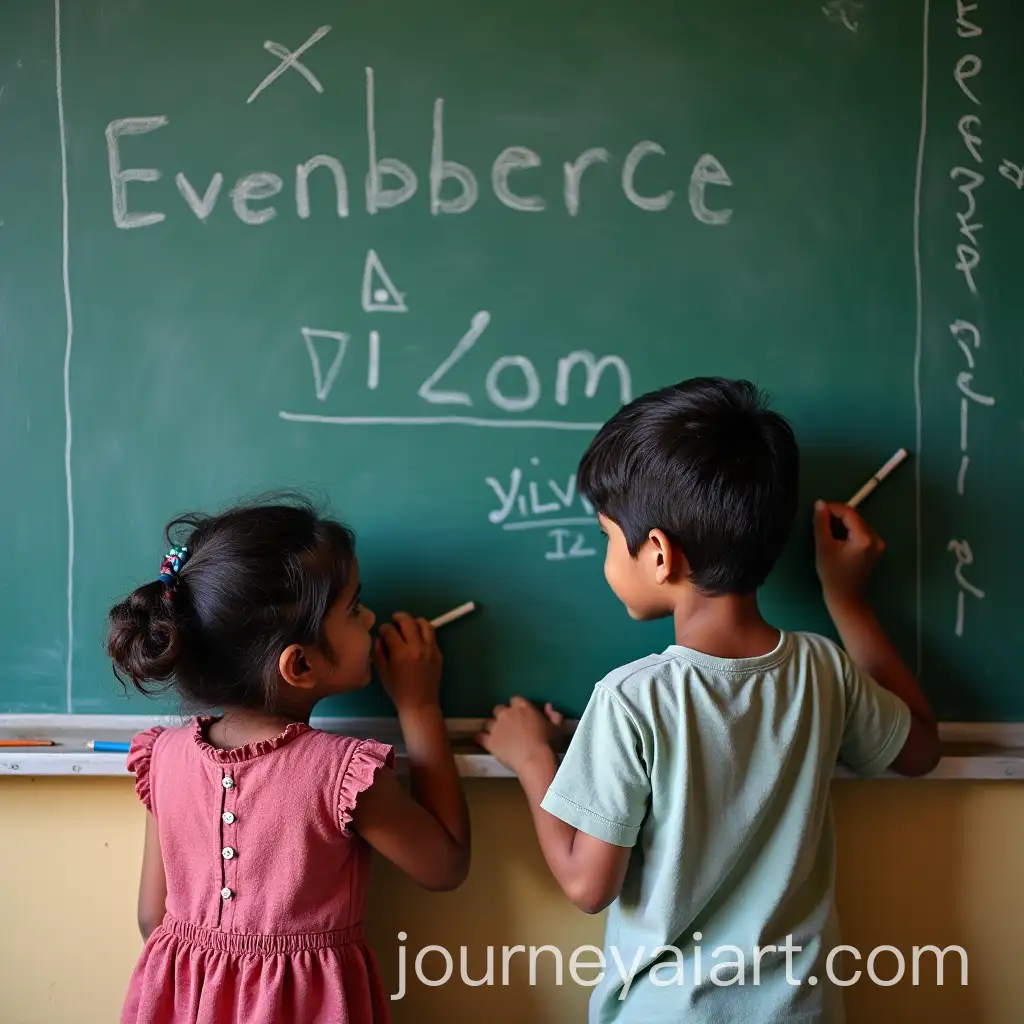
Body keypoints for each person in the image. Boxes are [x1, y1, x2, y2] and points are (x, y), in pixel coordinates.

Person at [476, 378, 939, 1022]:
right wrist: (848, 600)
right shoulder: (821, 668)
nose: (608, 558)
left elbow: (587, 886)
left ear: (659, 555)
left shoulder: (630, 699)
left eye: (610, 539)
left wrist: (531, 759)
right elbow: (920, 748)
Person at [108, 495, 470, 1024]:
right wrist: (418, 705)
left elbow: (151, 917)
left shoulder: (162, 756)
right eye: (353, 609)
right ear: (299, 664)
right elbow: (444, 866)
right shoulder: (343, 774)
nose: (371, 617)